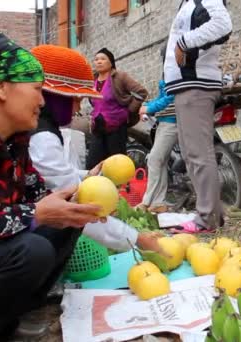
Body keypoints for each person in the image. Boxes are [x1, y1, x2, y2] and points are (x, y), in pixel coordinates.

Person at [0, 24, 102, 341]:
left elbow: (38, 197)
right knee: (31, 250)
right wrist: (34, 215)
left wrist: (80, 195)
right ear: (0, 88)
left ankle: (12, 313)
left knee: (65, 221)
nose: (44, 101)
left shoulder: (14, 143)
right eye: (36, 88)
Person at [29, 44, 164, 254]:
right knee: (67, 224)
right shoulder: (42, 137)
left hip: (114, 126)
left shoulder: (44, 129)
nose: (78, 108)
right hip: (21, 236)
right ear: (55, 98)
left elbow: (55, 175)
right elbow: (76, 204)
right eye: (75, 100)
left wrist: (86, 175)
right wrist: (139, 240)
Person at [163, 0, 232, 233]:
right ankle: (212, 214)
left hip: (197, 85)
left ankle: (207, 219)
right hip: (187, 86)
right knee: (193, 153)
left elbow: (222, 24)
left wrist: (184, 42)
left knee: (198, 152)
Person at [86, 48, 148, 169]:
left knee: (116, 165)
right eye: (96, 59)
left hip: (116, 127)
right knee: (92, 163)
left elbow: (141, 92)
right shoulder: (92, 80)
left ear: (111, 62)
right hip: (98, 126)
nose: (99, 62)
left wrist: (129, 111)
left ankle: (119, 187)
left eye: (103, 59)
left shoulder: (119, 76)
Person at [138, 43, 178, 213]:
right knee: (160, 161)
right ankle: (159, 202)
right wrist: (147, 105)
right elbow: (162, 96)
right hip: (165, 120)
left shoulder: (177, 71)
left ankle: (146, 202)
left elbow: (169, 97)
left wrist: (149, 108)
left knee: (154, 159)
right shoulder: (169, 71)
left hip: (172, 121)